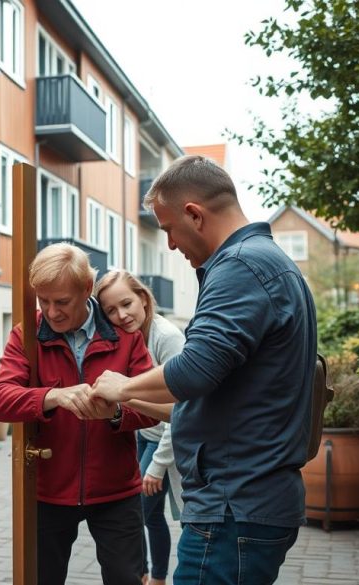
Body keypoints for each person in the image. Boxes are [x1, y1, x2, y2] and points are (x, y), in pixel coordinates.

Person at [91, 155, 318, 585]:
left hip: (234, 507)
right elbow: (212, 397)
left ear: (194, 214)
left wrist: (122, 387)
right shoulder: (263, 262)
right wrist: (131, 404)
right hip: (246, 504)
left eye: (169, 229)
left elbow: (193, 371)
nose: (172, 245)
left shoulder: (240, 267)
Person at [0, 243, 159, 585]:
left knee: (126, 579)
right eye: (43, 301)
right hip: (49, 490)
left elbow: (151, 408)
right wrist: (52, 396)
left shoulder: (125, 338)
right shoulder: (26, 334)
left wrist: (114, 413)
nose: (51, 312)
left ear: (85, 290)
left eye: (61, 302)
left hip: (117, 492)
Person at [94, 270, 185, 585]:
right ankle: (148, 576)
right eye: (110, 310)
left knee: (145, 507)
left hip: (171, 439)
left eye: (127, 303)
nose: (121, 315)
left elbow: (183, 408)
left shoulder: (167, 337)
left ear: (143, 298)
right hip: (145, 436)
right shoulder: (126, 338)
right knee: (148, 512)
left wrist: (158, 467)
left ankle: (153, 577)